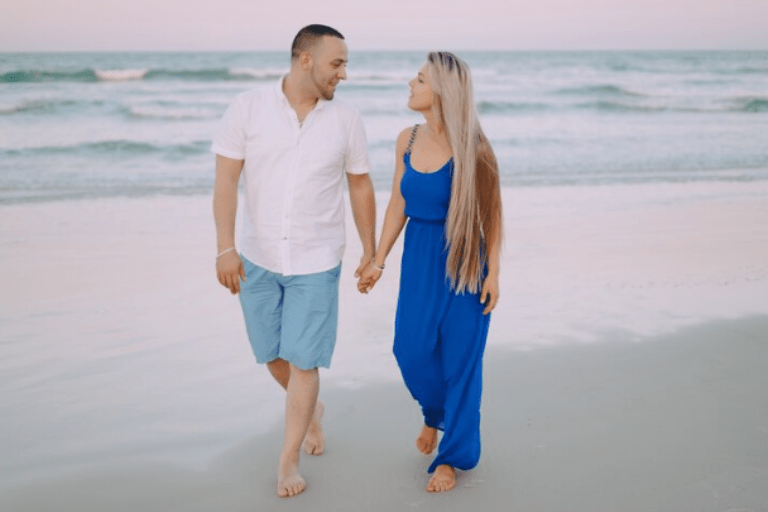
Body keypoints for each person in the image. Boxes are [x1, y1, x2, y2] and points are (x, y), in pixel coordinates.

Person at [211, 24, 376, 498]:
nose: (343, 73)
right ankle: (311, 410)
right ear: (305, 59)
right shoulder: (247, 107)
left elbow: (360, 183)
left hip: (317, 257)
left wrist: (368, 249)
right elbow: (226, 181)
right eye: (337, 63)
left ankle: (288, 458)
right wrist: (225, 247)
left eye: (344, 64)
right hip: (256, 256)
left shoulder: (347, 120)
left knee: (305, 360)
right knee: (272, 353)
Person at [357, 51, 502, 493]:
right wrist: (378, 260)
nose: (410, 83)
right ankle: (433, 416)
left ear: (440, 89)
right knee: (411, 351)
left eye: (419, 79)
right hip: (418, 260)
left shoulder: (474, 148)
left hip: (465, 265)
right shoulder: (407, 138)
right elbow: (399, 202)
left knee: (461, 365)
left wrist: (493, 274)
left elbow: (491, 216)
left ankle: (451, 460)